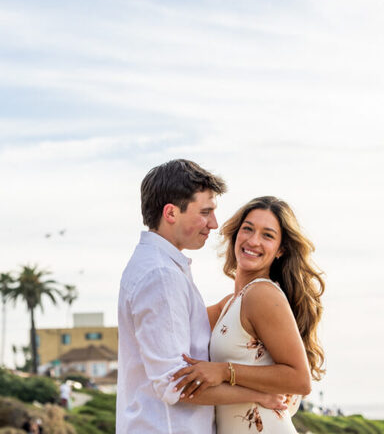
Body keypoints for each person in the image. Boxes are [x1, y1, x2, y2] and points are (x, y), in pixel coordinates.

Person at [117, 160, 287, 433]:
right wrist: (258, 394)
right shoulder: (161, 275)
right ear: (171, 213)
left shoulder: (161, 267)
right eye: (205, 212)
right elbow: (176, 386)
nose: (214, 223)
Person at [170, 196, 325, 433]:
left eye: (267, 235)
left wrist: (223, 371)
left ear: (281, 249)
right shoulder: (230, 304)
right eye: (248, 229)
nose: (253, 241)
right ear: (236, 234)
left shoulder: (261, 294)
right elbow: (174, 326)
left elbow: (300, 380)